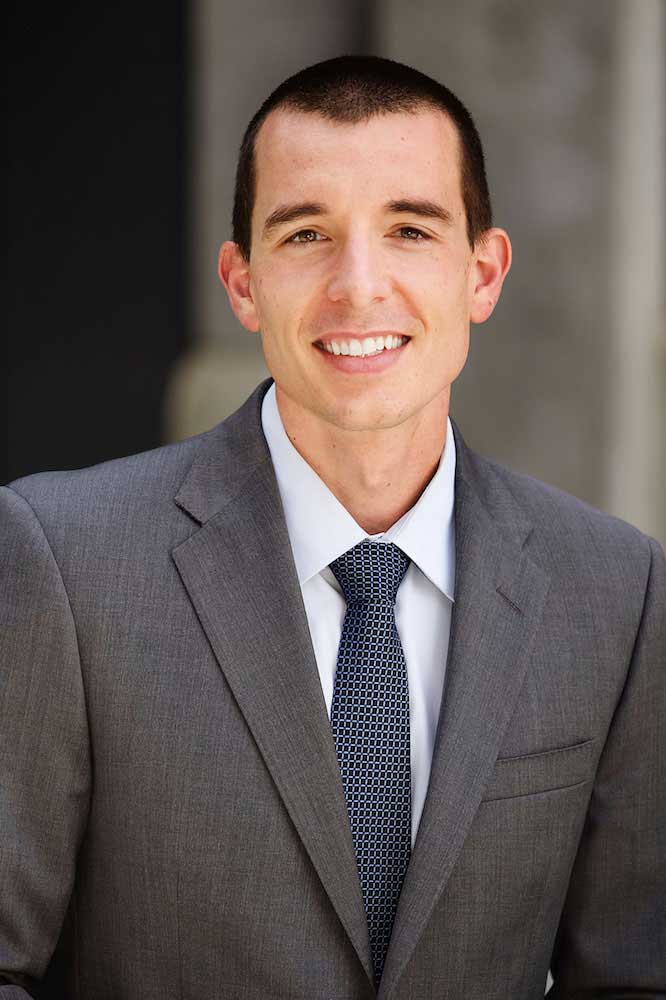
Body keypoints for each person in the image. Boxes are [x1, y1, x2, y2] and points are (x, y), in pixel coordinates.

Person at [1, 55, 663, 1000]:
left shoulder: (619, 592)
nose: (359, 285)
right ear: (243, 283)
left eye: (409, 230)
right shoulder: (61, 561)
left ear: (482, 274)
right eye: (307, 233)